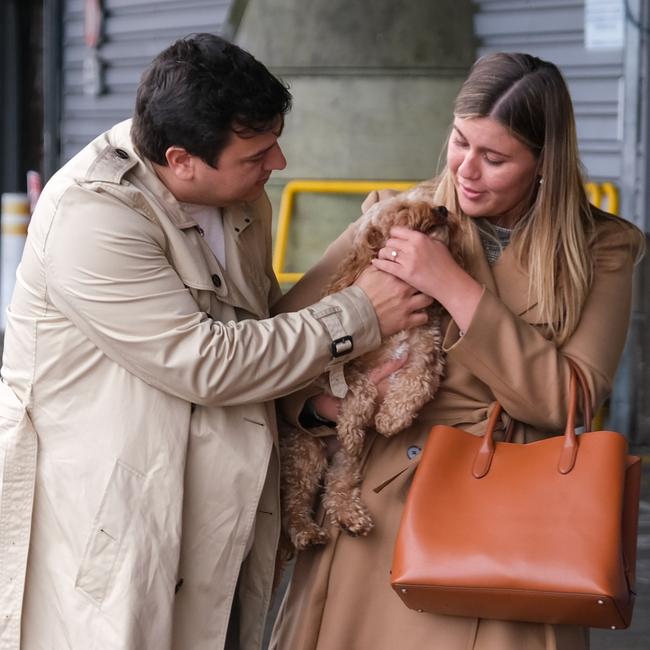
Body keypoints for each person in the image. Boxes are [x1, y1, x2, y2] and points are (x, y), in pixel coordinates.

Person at [0, 34, 432, 650]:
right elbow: (207, 361)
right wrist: (359, 312)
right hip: (115, 517)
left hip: (219, 505)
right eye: (257, 153)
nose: (277, 164)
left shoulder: (234, 195)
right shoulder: (93, 217)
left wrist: (360, 245)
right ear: (181, 159)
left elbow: (259, 331)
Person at [269, 52, 645, 650]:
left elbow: (567, 399)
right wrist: (328, 412)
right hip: (379, 519)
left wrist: (450, 282)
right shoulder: (397, 216)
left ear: (544, 161)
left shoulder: (601, 248)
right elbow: (280, 350)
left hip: (506, 524)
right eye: (460, 142)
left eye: (495, 158)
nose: (467, 169)